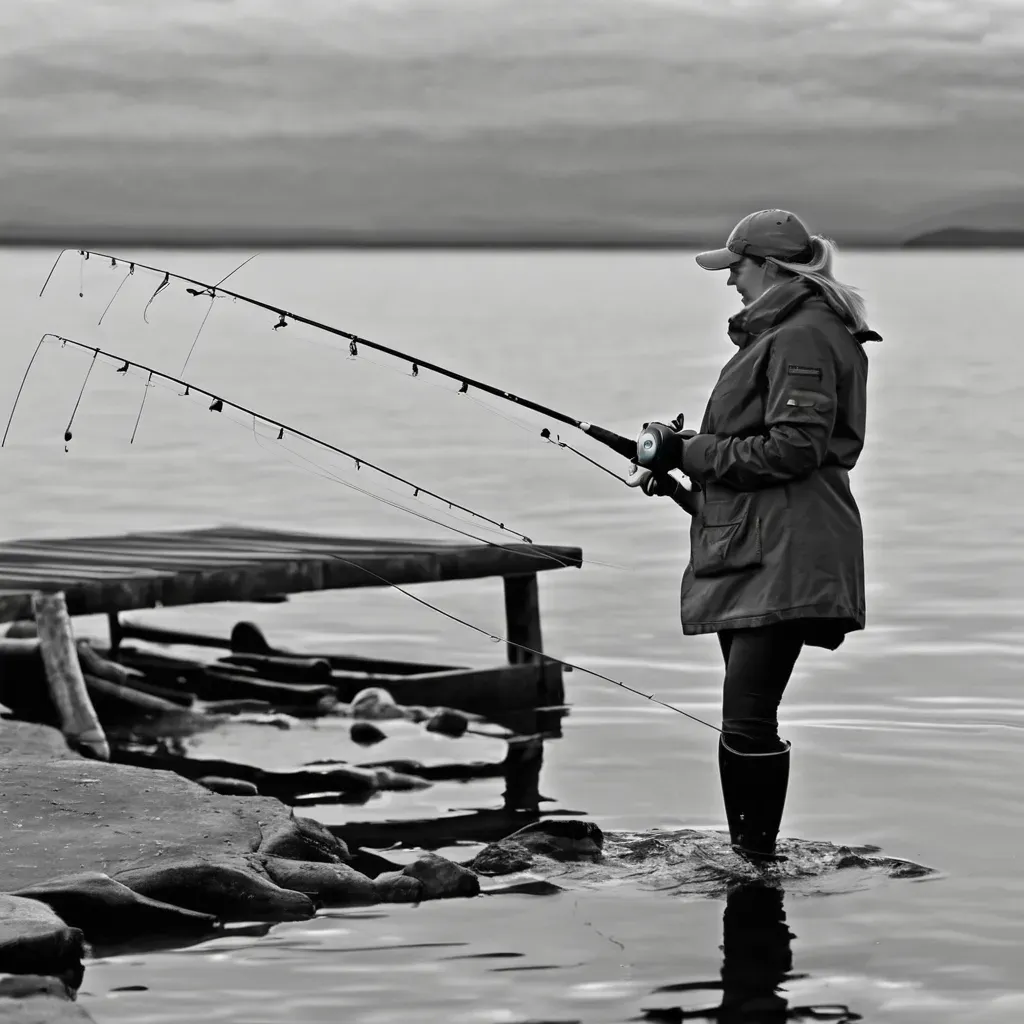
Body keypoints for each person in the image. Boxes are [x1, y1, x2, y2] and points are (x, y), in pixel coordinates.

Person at [626, 209, 881, 863]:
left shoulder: (803, 338)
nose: (730, 279)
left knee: (746, 715)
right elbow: (758, 456)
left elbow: (795, 450)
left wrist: (693, 453)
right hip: (761, 546)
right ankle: (752, 862)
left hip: (789, 552)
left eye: (736, 267)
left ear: (770, 267)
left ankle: (755, 867)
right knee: (745, 713)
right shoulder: (784, 334)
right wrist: (684, 468)